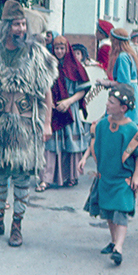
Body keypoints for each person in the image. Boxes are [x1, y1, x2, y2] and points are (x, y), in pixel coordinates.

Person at [0, 0, 57, 247]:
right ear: (6, 26)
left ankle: (17, 225)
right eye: (16, 24)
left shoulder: (36, 53)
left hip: (25, 125)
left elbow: (47, 91)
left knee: (21, 177)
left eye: (23, 24)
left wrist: (47, 123)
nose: (21, 29)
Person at [83, 84, 138, 266]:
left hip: (122, 180)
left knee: (121, 212)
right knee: (109, 212)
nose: (107, 104)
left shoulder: (131, 129)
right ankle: (113, 242)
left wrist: (136, 176)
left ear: (123, 108)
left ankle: (119, 247)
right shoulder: (103, 124)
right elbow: (94, 144)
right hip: (106, 178)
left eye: (111, 102)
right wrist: (84, 158)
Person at [37, 36, 90, 192]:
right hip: (52, 109)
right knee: (50, 145)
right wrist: (49, 102)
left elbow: (83, 90)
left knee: (69, 144)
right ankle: (46, 179)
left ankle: (70, 176)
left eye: (62, 48)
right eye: (56, 48)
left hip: (69, 109)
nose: (59, 52)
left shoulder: (75, 66)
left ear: (67, 49)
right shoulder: (49, 65)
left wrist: (68, 101)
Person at [98, 28, 138, 126]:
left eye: (112, 41)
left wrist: (107, 83)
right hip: (133, 93)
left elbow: (124, 83)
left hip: (125, 97)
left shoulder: (123, 57)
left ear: (116, 42)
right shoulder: (129, 54)